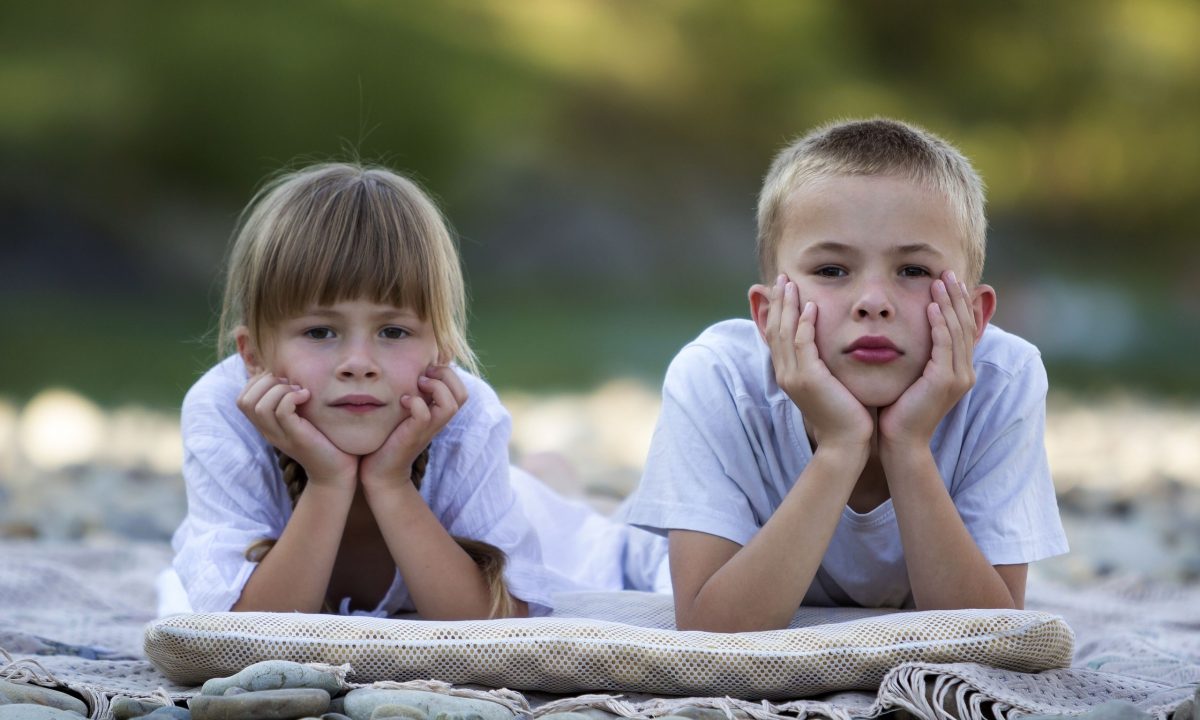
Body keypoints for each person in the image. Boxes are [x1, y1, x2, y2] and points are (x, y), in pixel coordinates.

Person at [623, 118, 1068, 631]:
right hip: (631, 562)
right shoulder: (715, 377)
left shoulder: (1003, 381)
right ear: (767, 316)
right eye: (833, 270)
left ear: (975, 316)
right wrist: (840, 448)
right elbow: (709, 633)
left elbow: (992, 635)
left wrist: (908, 446)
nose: (873, 303)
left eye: (913, 271)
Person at [169, 162, 666, 620]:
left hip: (547, 532)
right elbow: (245, 632)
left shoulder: (466, 418)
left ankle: (555, 487)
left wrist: (390, 482)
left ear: (442, 349)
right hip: (505, 496)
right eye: (321, 332)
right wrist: (328, 483)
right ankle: (547, 479)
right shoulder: (224, 411)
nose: (358, 364)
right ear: (252, 355)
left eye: (394, 332)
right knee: (534, 490)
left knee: (605, 546)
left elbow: (494, 628)